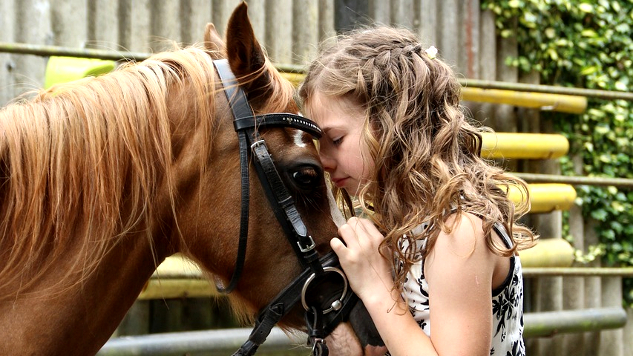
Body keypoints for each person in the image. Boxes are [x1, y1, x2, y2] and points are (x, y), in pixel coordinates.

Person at [299, 26, 537, 356]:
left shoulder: (458, 230)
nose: (323, 160)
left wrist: (376, 285)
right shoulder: (400, 221)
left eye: (336, 140)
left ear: (395, 123)